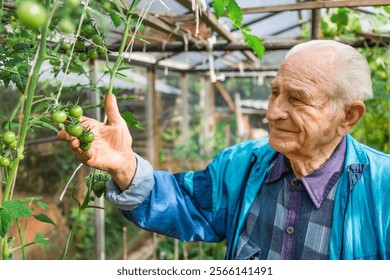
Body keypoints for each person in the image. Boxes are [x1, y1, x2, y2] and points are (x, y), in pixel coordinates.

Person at [58, 40, 390, 260]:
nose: (273, 112)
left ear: (348, 116)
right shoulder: (242, 165)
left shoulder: (382, 190)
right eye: (275, 93)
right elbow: (188, 203)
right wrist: (127, 167)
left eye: (297, 98)